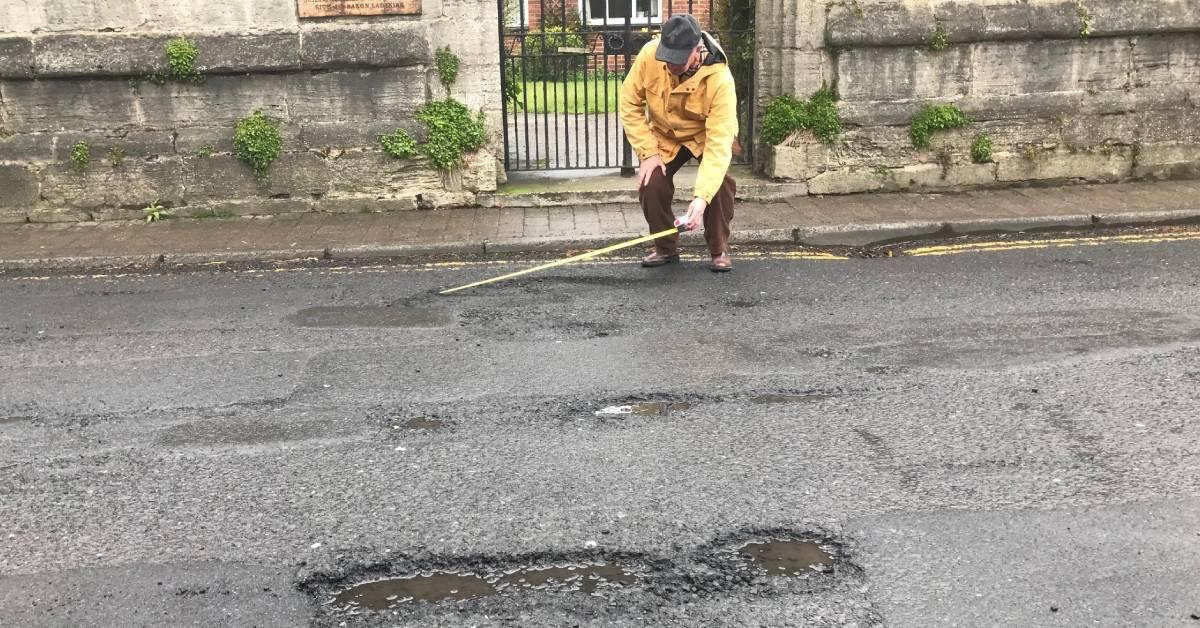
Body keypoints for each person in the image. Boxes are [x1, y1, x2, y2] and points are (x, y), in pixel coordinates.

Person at [619, 13, 739, 272]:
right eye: (667, 57)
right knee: (651, 182)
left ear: (697, 50)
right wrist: (648, 153)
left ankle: (719, 249)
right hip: (664, 134)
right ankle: (665, 248)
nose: (671, 65)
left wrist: (701, 198)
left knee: (719, 185)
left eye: (678, 60)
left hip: (704, 137)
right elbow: (629, 102)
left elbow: (719, 143)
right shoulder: (649, 55)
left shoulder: (721, 80)